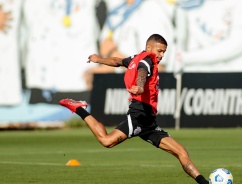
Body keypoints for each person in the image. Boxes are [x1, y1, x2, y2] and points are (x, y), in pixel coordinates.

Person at [60, 34, 209, 184]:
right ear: (149, 48)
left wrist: (99, 59)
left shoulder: (136, 57)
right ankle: (79, 108)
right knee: (107, 141)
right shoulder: (147, 60)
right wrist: (140, 86)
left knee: (181, 152)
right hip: (139, 115)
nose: (161, 55)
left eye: (164, 52)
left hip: (149, 122)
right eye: (159, 51)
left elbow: (117, 61)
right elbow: (142, 73)